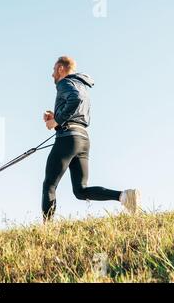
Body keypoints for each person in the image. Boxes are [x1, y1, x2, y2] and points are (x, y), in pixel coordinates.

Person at [42, 56, 140, 222]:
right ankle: (124, 196)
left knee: (49, 185)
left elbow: (75, 100)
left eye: (53, 70)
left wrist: (56, 120)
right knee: (80, 190)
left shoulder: (65, 83)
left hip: (68, 138)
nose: (52, 75)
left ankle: (46, 228)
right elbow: (77, 109)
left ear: (60, 68)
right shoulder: (81, 85)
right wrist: (56, 118)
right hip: (82, 139)